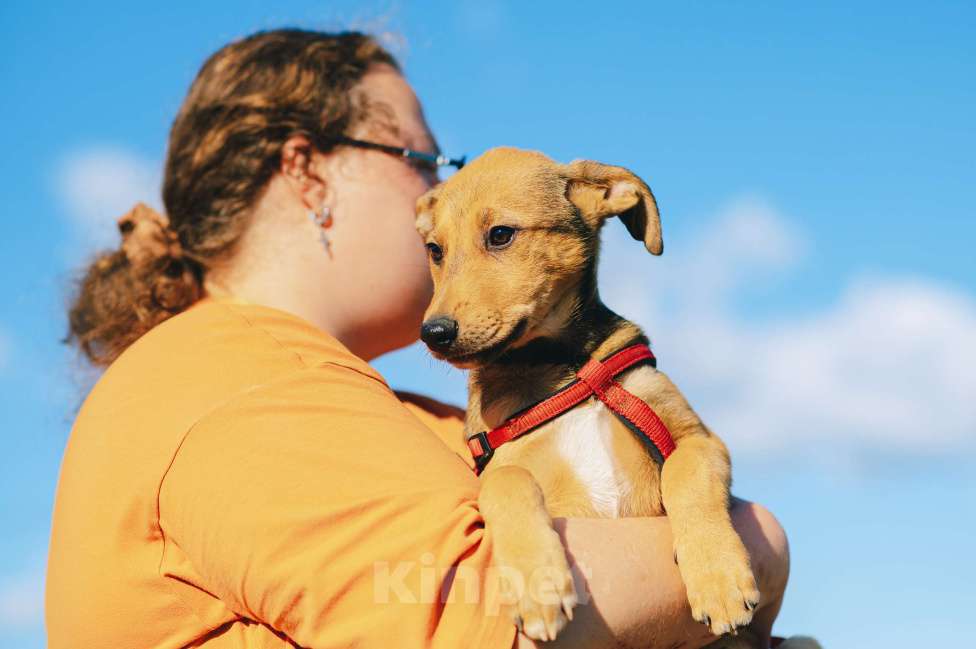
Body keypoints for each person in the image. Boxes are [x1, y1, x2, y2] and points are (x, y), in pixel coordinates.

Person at [47, 28, 791, 649]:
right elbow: (477, 616)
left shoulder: (371, 405)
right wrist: (761, 544)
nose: (438, 203)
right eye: (426, 162)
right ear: (308, 174)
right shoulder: (235, 379)